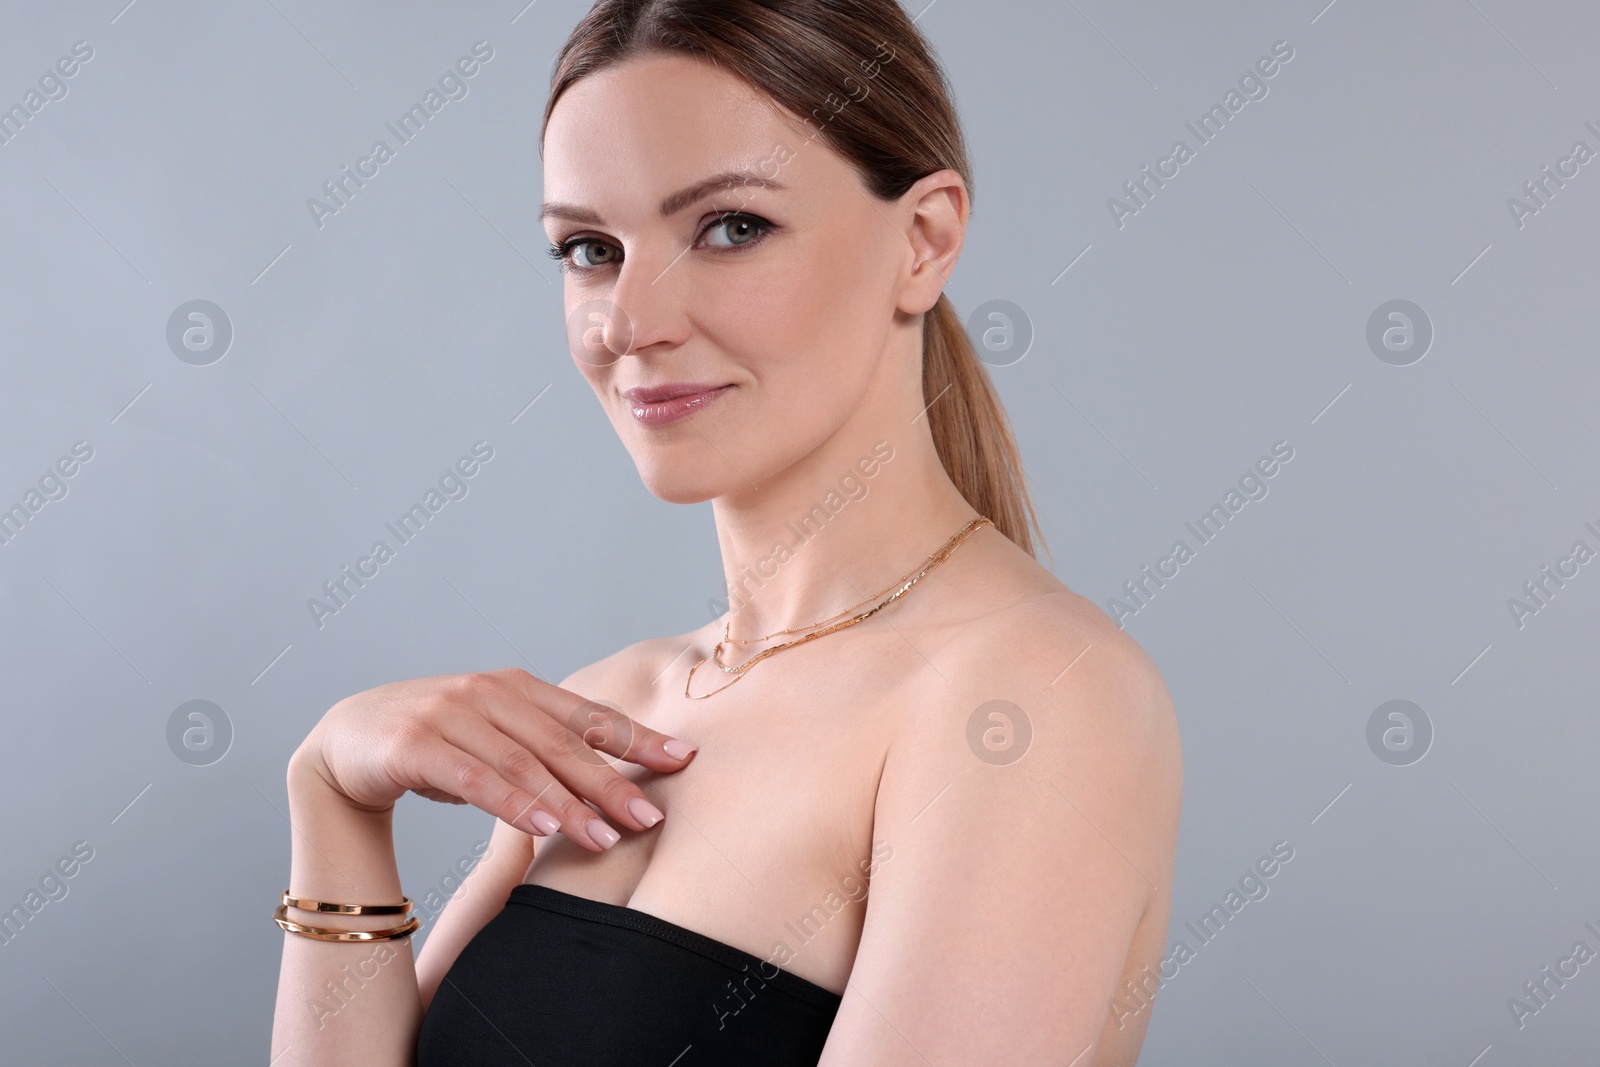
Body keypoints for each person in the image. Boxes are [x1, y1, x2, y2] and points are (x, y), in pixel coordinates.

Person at [270, 1, 1182, 1063]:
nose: (628, 321)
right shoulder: (607, 706)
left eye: (730, 227)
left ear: (923, 240)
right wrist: (331, 794)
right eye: (589, 248)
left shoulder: (1029, 696)